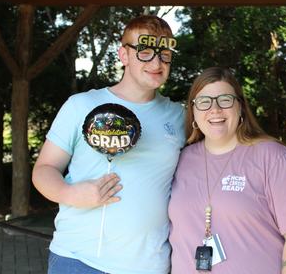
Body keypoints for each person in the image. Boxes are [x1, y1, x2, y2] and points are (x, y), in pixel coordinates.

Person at [32, 15, 185, 274]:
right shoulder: (80, 105)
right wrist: (71, 194)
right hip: (79, 260)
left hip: (150, 265)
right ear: (124, 55)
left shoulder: (180, 117)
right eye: (145, 52)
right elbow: (43, 170)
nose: (156, 62)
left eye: (164, 53)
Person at [168, 67, 286, 274]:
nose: (215, 109)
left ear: (241, 107)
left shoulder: (273, 156)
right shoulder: (180, 160)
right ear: (193, 111)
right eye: (204, 101)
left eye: (225, 100)